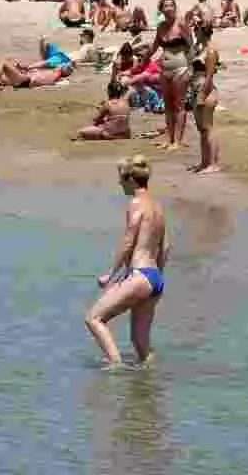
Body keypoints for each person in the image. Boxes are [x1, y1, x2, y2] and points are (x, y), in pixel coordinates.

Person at [84, 156, 169, 367]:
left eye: (121, 179)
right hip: (155, 278)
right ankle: (150, 384)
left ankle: (115, 369)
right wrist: (156, 275)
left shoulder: (136, 203)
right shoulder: (158, 207)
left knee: (94, 319)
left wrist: (111, 273)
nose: (119, 184)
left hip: (140, 275)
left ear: (131, 179)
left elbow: (129, 239)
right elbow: (166, 246)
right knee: (141, 345)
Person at [146, 0, 192, 152]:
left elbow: (190, 45)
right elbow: (154, 47)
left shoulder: (181, 24)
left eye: (171, 5)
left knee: (179, 105)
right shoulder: (161, 27)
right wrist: (143, 61)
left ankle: (178, 140)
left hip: (180, 67)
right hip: (164, 69)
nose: (169, 8)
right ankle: (169, 138)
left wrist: (191, 68)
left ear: (175, 7)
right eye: (165, 6)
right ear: (161, 10)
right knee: (168, 105)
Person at [189, 21, 222, 173]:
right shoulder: (198, 49)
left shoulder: (210, 51)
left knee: (208, 127)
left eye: (196, 30)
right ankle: (204, 162)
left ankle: (214, 164)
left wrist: (201, 95)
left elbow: (209, 76)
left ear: (202, 32)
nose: (194, 32)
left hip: (206, 91)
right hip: (197, 89)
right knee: (202, 129)